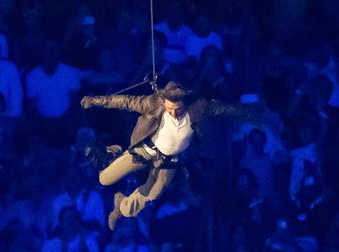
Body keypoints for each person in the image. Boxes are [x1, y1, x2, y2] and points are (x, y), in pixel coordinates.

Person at [80, 81, 258, 230]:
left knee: (153, 194)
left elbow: (224, 108)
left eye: (178, 109)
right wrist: (95, 101)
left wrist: (250, 114)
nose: (173, 113)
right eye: (170, 109)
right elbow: (125, 101)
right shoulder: (153, 104)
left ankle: (121, 205)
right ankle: (115, 151)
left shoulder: (198, 107)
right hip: (146, 150)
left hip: (168, 160)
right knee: (105, 179)